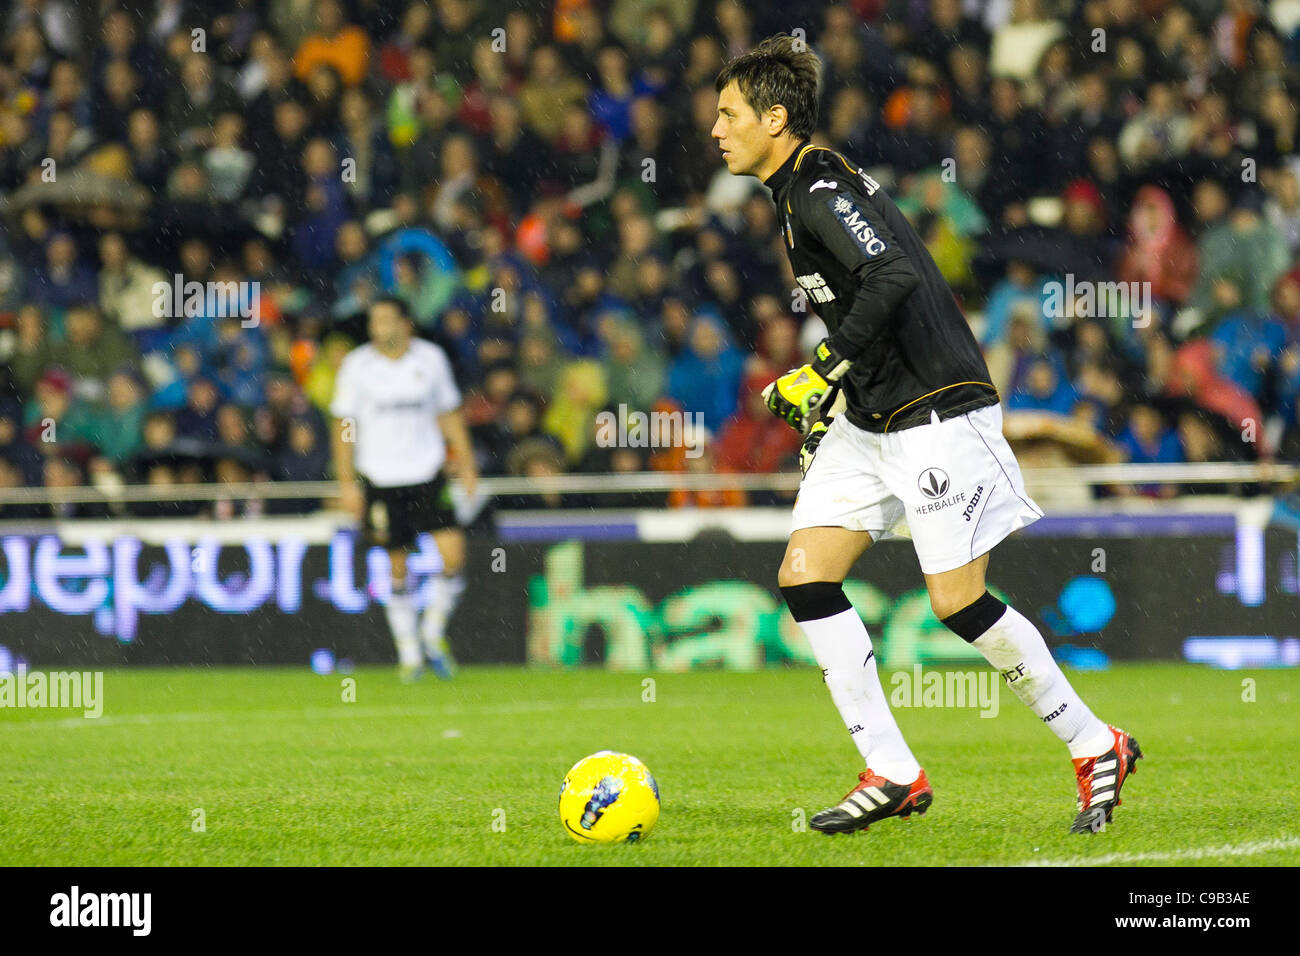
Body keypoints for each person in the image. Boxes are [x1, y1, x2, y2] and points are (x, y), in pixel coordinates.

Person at [713, 35, 1141, 836]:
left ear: (776, 118)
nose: (717, 129)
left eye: (730, 113)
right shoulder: (795, 190)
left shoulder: (815, 185)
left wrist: (824, 361)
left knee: (956, 601)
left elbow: (896, 275)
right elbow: (872, 294)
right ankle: (893, 771)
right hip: (872, 413)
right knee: (806, 577)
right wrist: (832, 390)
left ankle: (1095, 742)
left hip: (937, 408)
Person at [329, 297, 477, 681]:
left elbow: (447, 412)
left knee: (453, 556)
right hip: (380, 477)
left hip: (428, 472)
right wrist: (347, 482)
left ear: (405, 323)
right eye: (374, 321)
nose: (379, 327)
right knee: (397, 567)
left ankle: (431, 633)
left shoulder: (430, 359)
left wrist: (467, 462)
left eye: (386, 319)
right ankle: (409, 653)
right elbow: (345, 425)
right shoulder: (356, 366)